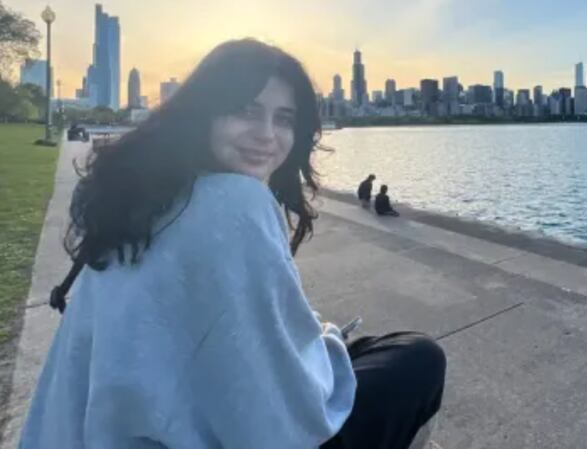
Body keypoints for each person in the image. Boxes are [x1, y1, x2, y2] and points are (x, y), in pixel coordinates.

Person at [21, 39, 445, 449]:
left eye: (283, 119)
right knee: (418, 358)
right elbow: (277, 412)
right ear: (203, 114)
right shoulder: (236, 202)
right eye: (246, 111)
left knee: (349, 352)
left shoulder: (145, 199)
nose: (267, 134)